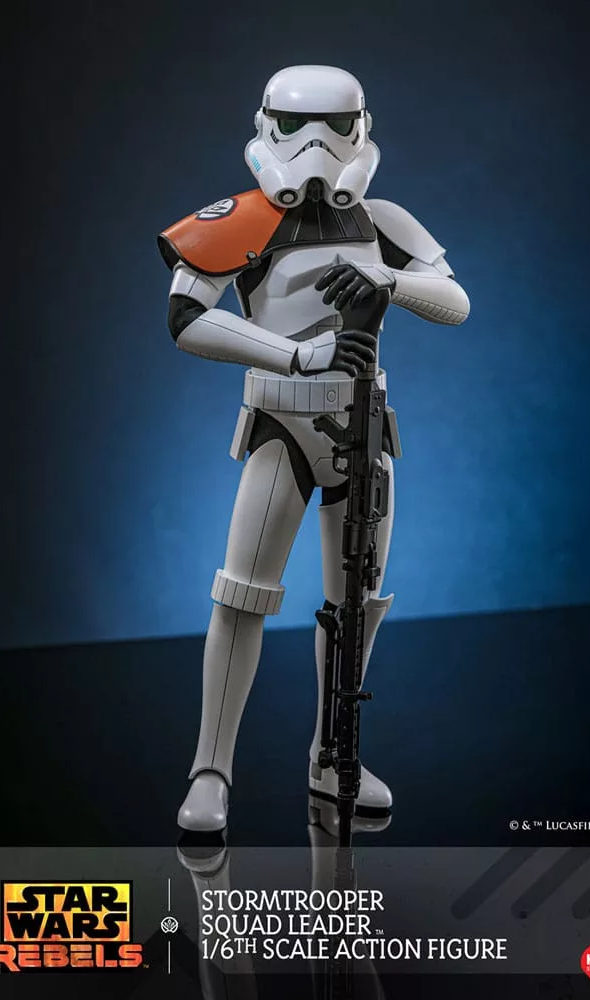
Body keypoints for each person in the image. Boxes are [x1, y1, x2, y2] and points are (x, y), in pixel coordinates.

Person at [157, 65, 470, 832]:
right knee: (243, 596)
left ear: (362, 129)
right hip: (282, 425)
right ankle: (210, 770)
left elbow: (454, 300)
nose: (317, 146)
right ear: (267, 125)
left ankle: (334, 758)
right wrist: (295, 355)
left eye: (336, 126)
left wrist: (387, 282)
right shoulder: (244, 218)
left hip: (365, 428)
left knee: (356, 605)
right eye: (297, 127)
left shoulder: (383, 224)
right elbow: (186, 320)